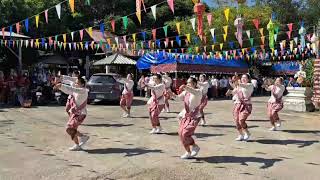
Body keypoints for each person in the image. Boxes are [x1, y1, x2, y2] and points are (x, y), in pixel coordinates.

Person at [54, 76, 90, 151]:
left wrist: (61, 85)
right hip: (75, 113)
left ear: (82, 84)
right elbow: (69, 91)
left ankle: (82, 137)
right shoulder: (77, 91)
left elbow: (72, 89)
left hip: (81, 114)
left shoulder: (83, 91)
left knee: (69, 128)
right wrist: (60, 86)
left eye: (77, 83)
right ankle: (78, 144)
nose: (75, 84)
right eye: (75, 83)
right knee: (72, 129)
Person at [172, 77, 202, 159]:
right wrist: (171, 94)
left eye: (190, 83)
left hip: (194, 116)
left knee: (185, 133)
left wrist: (185, 87)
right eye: (187, 82)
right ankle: (188, 152)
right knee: (181, 134)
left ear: (195, 84)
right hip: (186, 115)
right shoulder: (186, 92)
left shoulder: (198, 92)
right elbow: (178, 98)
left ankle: (195, 146)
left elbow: (193, 91)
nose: (188, 84)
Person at [226, 74, 254, 141]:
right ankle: (241, 134)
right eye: (242, 78)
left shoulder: (249, 85)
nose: (243, 79)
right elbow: (234, 92)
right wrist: (229, 92)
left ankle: (247, 133)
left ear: (248, 79)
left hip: (246, 105)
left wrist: (236, 79)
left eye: (245, 78)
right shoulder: (239, 86)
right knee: (236, 121)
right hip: (238, 105)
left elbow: (241, 85)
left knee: (241, 120)